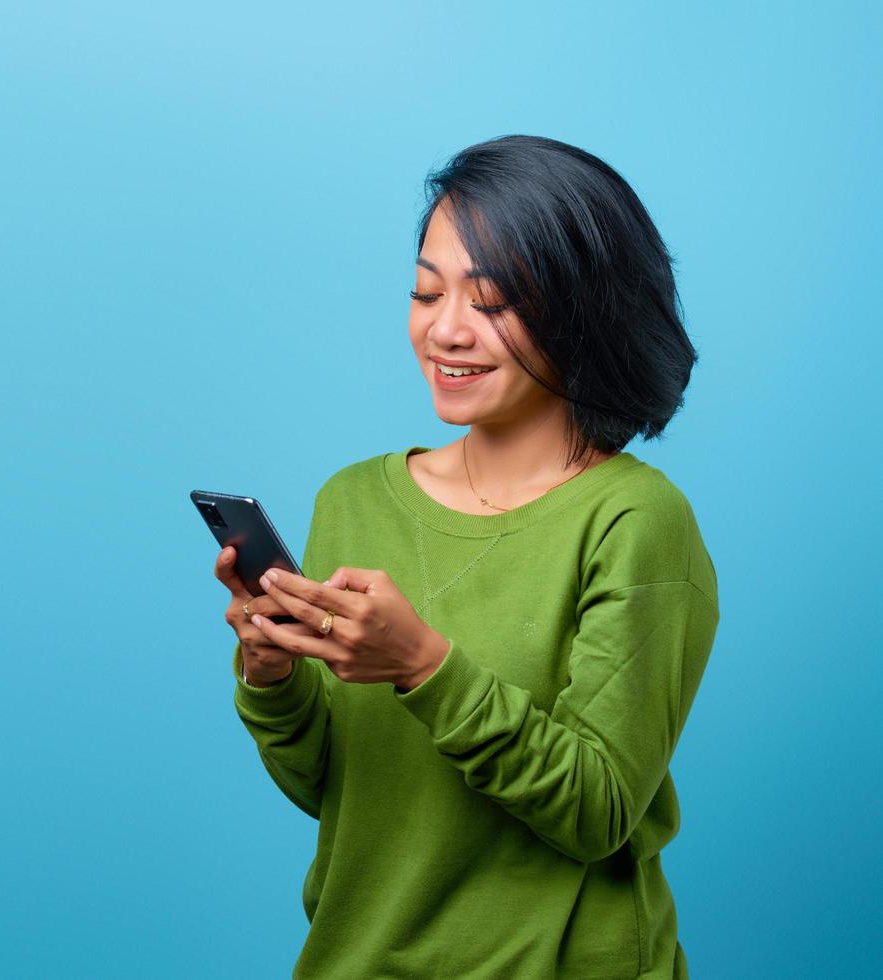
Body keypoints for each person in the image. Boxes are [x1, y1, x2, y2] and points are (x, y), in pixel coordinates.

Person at [213, 135, 719, 979]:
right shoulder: (354, 499)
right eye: (425, 291)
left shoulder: (637, 520)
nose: (446, 330)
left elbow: (598, 811)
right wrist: (270, 679)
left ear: (582, 310)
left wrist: (422, 665)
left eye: (493, 303)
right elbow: (342, 797)